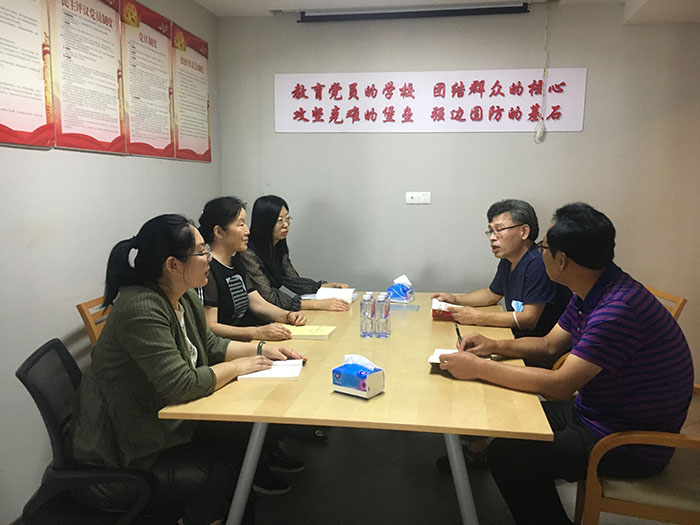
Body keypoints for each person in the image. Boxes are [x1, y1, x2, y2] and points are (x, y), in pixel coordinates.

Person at [439, 203, 694, 525]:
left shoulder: (616, 310)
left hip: (629, 441)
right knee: (510, 419)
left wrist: (478, 368)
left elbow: (560, 385)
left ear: (562, 260)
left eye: (544, 247)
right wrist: (493, 345)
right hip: (596, 412)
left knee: (508, 456)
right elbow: (549, 345)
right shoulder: (592, 289)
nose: (540, 252)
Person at [71, 214, 305, 524]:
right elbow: (181, 384)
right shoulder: (141, 308)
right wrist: (239, 366)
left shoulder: (185, 296)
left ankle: (234, 512)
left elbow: (211, 345)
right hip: (126, 452)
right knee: (225, 464)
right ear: (172, 265)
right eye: (201, 251)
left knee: (242, 435)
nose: (209, 257)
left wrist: (262, 351)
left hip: (161, 423)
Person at [432, 199, 571, 364]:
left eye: (499, 230)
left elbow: (528, 319)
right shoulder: (508, 259)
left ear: (524, 231)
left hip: (537, 354)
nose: (492, 238)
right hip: (516, 341)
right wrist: (455, 299)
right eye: (490, 231)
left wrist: (477, 317)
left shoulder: (538, 263)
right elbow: (491, 295)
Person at [198, 196, 306, 342]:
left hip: (247, 340)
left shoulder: (236, 263)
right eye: (241, 225)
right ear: (219, 232)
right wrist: (256, 332)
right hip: (227, 347)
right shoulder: (207, 269)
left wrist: (287, 315)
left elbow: (257, 303)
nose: (247, 231)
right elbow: (210, 326)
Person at [240, 195, 350, 312]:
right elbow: (269, 296)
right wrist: (318, 304)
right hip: (256, 315)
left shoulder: (278, 245)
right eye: (280, 220)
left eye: (288, 218)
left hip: (273, 313)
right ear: (265, 223)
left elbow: (293, 280)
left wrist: (326, 287)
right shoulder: (248, 254)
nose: (286, 224)